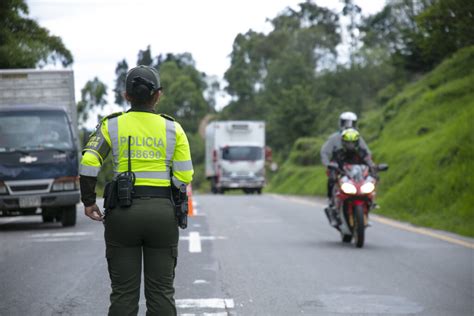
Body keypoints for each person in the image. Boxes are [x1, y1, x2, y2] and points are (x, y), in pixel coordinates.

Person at [79, 65, 193, 315]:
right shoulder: (174, 129)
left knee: (123, 293)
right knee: (161, 293)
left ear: (126, 95)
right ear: (158, 95)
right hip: (162, 215)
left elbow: (89, 161)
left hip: (122, 214)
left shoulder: (112, 125)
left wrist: (88, 201)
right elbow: (185, 175)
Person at [320, 112, 371, 205]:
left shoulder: (358, 137)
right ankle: (331, 199)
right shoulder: (334, 138)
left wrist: (371, 165)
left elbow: (366, 153)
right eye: (346, 122)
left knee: (367, 178)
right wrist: (327, 164)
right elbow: (324, 152)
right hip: (338, 165)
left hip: (354, 166)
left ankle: (369, 200)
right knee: (332, 178)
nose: (349, 126)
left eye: (352, 123)